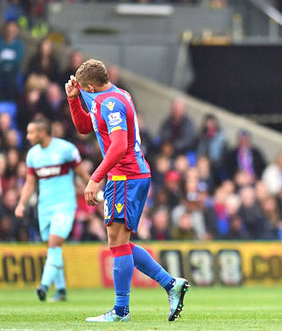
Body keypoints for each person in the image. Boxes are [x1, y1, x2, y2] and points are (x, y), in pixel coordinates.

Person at [64, 59, 189, 322]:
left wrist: (95, 178)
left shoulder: (110, 103)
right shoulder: (114, 95)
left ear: (89, 85)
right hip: (128, 176)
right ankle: (170, 284)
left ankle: (121, 311)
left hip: (125, 176)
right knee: (120, 243)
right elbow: (86, 127)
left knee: (118, 244)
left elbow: (119, 145)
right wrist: (74, 100)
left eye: (82, 89)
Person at [14, 117, 89, 302]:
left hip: (64, 205)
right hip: (44, 207)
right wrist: (21, 204)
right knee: (52, 248)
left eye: (31, 132)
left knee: (54, 244)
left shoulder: (66, 150)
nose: (28, 136)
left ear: (42, 133)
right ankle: (61, 290)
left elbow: (81, 174)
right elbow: (30, 183)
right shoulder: (33, 155)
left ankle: (44, 285)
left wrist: (97, 191)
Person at [0, 20, 24, 101]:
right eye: (9, 30)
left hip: (13, 73)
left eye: (13, 30)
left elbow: (17, 61)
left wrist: (4, 60)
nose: (11, 32)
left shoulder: (19, 45)